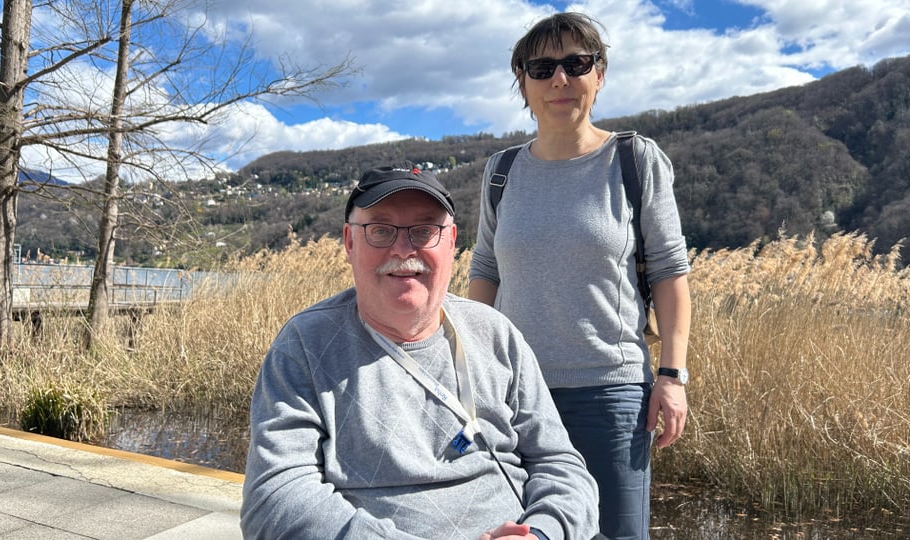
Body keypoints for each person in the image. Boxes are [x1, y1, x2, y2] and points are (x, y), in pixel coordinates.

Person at [241, 163, 600, 539]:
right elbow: (274, 499)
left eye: (425, 230)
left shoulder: (495, 334)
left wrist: (542, 533)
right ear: (349, 241)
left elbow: (560, 464)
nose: (403, 249)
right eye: (380, 230)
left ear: (451, 241)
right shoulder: (305, 344)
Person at [468, 12, 692, 540]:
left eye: (576, 63)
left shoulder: (634, 160)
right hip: (512, 395)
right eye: (542, 68)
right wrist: (471, 372)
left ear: (600, 73)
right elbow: (485, 270)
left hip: (608, 395)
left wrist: (672, 376)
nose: (559, 80)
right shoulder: (501, 171)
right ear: (522, 82)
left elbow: (669, 271)